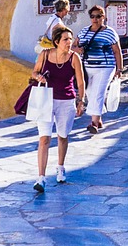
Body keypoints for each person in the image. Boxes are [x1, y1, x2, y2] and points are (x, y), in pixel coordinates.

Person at [27, 26, 86, 192]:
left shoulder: (74, 58)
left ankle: (60, 167)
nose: (69, 42)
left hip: (66, 101)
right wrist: (38, 76)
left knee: (63, 136)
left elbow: (80, 82)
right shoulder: (45, 55)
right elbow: (34, 72)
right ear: (57, 42)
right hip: (46, 99)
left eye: (71, 39)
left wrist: (81, 100)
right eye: (66, 39)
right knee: (44, 138)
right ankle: (41, 178)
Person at [77, 6, 123, 134]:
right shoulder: (84, 32)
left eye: (98, 16)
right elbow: (74, 45)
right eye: (92, 16)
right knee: (91, 93)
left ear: (103, 17)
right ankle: (99, 118)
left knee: (98, 93)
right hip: (87, 68)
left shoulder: (110, 32)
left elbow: (117, 51)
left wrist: (119, 68)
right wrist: (78, 49)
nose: (95, 19)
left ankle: (94, 123)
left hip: (105, 67)